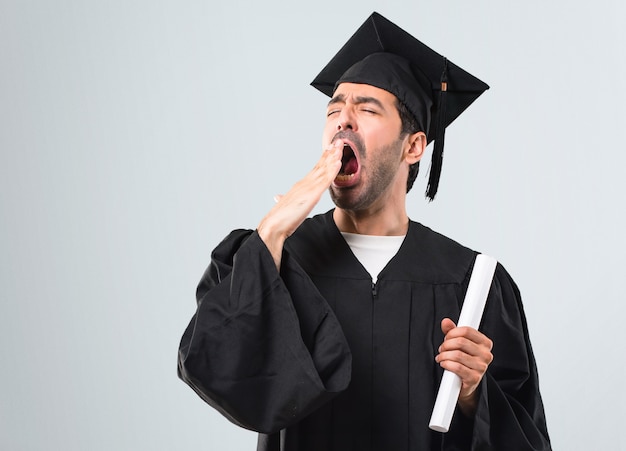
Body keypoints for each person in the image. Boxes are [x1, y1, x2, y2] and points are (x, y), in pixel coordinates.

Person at [178, 12, 551, 451]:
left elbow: (527, 439)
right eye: (334, 109)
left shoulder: (472, 281)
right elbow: (213, 365)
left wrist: (472, 395)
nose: (343, 120)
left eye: (367, 109)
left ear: (413, 146)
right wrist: (272, 232)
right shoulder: (277, 258)